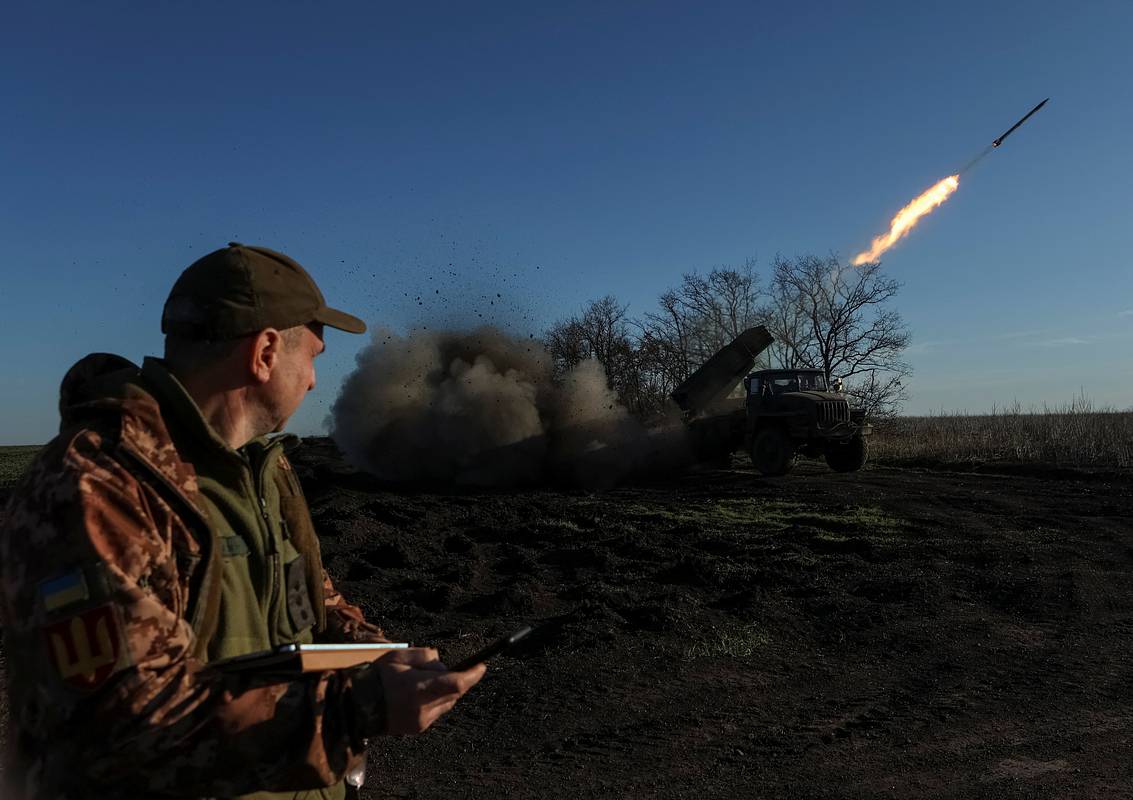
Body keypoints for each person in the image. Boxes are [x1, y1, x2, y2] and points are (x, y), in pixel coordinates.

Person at [0, 243, 486, 800]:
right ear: (265, 352)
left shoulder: (262, 472)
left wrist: (381, 656)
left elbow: (310, 607)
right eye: (314, 357)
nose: (311, 381)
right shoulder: (98, 486)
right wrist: (362, 708)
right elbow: (125, 728)